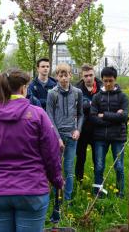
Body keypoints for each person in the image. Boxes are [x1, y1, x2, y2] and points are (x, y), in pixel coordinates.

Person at [0, 69, 63, 232]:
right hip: (32, 189)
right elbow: (51, 153)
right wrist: (57, 181)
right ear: (23, 88)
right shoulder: (38, 115)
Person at [46, 63, 83, 205]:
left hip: (72, 136)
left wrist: (78, 129)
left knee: (68, 168)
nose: (63, 78)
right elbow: (49, 117)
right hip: (57, 136)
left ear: (70, 75)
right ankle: (57, 198)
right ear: (56, 77)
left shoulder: (77, 93)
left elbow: (80, 114)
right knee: (56, 168)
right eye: (60, 75)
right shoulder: (52, 94)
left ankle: (67, 199)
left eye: (66, 74)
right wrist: (57, 138)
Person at [90, 66, 129, 198]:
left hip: (118, 136)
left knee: (119, 166)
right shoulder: (96, 97)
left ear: (115, 80)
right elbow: (93, 118)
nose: (108, 84)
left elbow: (124, 117)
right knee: (99, 166)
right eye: (105, 81)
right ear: (102, 80)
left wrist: (104, 115)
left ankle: (120, 193)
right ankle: (97, 193)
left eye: (110, 81)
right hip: (100, 137)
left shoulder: (122, 97)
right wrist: (114, 118)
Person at [75, 64, 102, 183]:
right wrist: (92, 106)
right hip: (82, 129)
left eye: (91, 75)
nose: (89, 78)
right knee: (80, 158)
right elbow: (76, 107)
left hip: (98, 129)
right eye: (86, 76)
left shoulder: (102, 87)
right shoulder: (76, 89)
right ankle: (78, 182)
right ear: (82, 76)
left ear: (94, 74)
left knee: (98, 159)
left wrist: (87, 105)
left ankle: (98, 183)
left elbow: (105, 105)